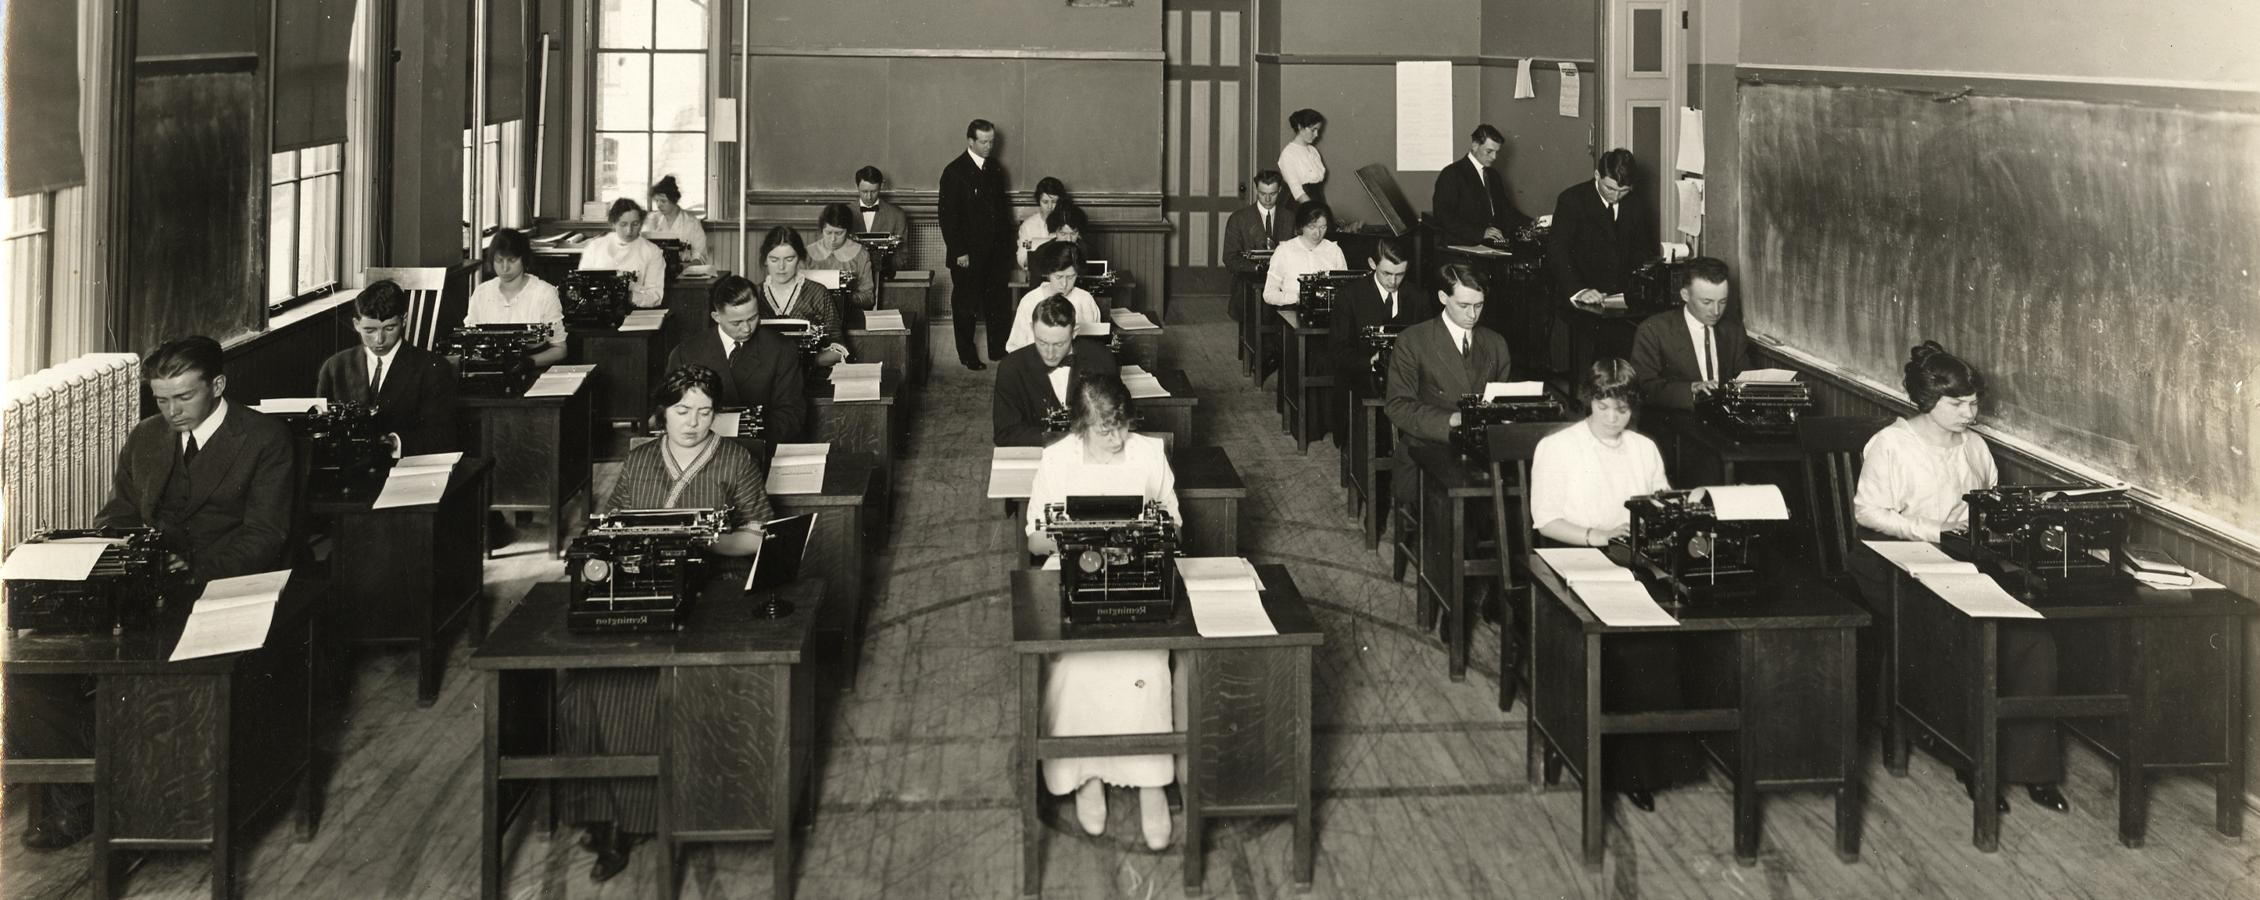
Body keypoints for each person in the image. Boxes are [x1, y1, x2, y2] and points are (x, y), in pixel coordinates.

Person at [7, 336, 303, 853]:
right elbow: (120, 512)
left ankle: (162, 802)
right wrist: (101, 551)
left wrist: (194, 569)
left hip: (218, 586)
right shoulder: (146, 436)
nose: (171, 411)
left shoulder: (264, 437)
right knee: (36, 662)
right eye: (162, 399)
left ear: (218, 385)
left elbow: (265, 536)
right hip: (145, 584)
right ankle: (73, 800)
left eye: (183, 398)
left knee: (166, 685)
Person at [559, 363, 773, 882]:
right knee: (584, 686)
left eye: (704, 412)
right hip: (640, 588)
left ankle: (643, 819)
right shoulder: (638, 461)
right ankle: (608, 813)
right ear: (662, 411)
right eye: (682, 411)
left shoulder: (735, 459)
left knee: (646, 691)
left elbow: (758, 537)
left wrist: (704, 542)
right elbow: (609, 527)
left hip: (711, 595)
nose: (693, 423)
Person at [1851, 342, 2066, 814]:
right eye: (1957, 404)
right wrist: (1932, 529)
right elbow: (1867, 511)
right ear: (1927, 401)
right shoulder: (1892, 444)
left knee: (2034, 638)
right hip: (1896, 556)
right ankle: (1972, 761)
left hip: (1960, 558)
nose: (1970, 413)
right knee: (1964, 630)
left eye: (1974, 403)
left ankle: (2036, 770)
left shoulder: (1975, 446)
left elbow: (1987, 502)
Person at [1528, 358, 1702, 811]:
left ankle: (1649, 765)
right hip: (1574, 553)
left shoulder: (1643, 448)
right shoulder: (1559, 447)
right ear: (1589, 401)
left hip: (1631, 554)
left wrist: (1682, 507)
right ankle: (1614, 764)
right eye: (1604, 407)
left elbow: (1658, 500)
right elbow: (1545, 520)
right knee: (1626, 638)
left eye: (1622, 410)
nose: (1612, 419)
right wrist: (1596, 536)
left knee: (1669, 623)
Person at [1023, 374, 1181, 851]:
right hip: (1075, 571)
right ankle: (1085, 774)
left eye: (1119, 427)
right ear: (1080, 427)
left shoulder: (1149, 453)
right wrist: (1077, 533)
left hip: (1135, 571)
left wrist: (1145, 532)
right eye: (1103, 431)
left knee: (1146, 663)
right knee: (1072, 664)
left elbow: (1173, 522)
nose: (1115, 439)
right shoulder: (1057, 459)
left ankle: (1152, 780)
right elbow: (1034, 538)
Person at [1383, 262, 1512, 463]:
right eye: (1463, 306)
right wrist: (1453, 420)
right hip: (1426, 452)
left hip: (1482, 452)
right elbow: (1398, 406)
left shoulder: (1496, 343)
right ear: (1443, 298)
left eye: (1479, 305)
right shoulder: (1412, 340)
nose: (1472, 315)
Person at [1547, 149, 1660, 377]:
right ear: (1597, 175)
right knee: (1601, 345)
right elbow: (1557, 252)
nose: (1615, 196)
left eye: (1623, 191)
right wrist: (1580, 290)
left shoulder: (1636, 204)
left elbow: (1641, 249)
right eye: (1610, 188)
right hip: (1582, 291)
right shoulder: (1572, 200)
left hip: (1620, 294)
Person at [315, 280, 459, 456]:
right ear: (356, 324)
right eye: (369, 330)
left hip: (407, 466)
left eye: (389, 328)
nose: (379, 340)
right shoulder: (334, 367)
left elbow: (443, 435)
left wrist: (395, 443)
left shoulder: (432, 368)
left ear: (404, 320)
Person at [665, 275, 809, 442]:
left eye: (753, 318)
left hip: (760, 445)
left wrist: (751, 433)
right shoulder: (685, 353)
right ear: (716, 317)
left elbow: (791, 414)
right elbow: (670, 410)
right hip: (701, 446)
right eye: (736, 323)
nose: (747, 328)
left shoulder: (781, 349)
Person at [939, 119, 1014, 368]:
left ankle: (997, 349)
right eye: (984, 142)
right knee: (965, 306)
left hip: (995, 254)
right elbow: (948, 218)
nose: (989, 146)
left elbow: (1002, 213)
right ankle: (967, 355)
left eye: (992, 141)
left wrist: (1006, 249)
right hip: (967, 255)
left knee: (997, 303)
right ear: (970, 141)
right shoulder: (954, 172)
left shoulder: (995, 169)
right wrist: (959, 251)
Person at [994, 294, 1117, 446]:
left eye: (1059, 344)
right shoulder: (1011, 367)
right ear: (1032, 328)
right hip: (1036, 454)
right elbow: (1005, 433)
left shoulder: (1102, 358)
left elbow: (1118, 417)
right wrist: (1062, 440)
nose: (1050, 354)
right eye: (1042, 342)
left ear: (1075, 332)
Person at [1628, 256, 1746, 409]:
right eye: (1707, 302)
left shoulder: (1733, 329)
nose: (1716, 311)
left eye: (1722, 302)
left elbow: (1743, 376)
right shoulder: (1653, 330)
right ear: (1685, 295)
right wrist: (1690, 389)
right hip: (1676, 419)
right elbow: (1644, 387)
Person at [1328, 237, 1435, 399]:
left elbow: (1429, 344)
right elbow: (1338, 351)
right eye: (1387, 273)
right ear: (1372, 264)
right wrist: (1371, 361)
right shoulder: (1349, 296)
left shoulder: (1419, 297)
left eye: (1400, 274)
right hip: (1362, 379)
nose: (1393, 282)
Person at [465, 227, 568, 366]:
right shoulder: (481, 293)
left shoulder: (544, 293)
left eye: (512, 260)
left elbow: (560, 349)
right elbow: (469, 340)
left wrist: (528, 363)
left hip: (531, 367)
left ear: (524, 259)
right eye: (499, 260)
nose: (505, 268)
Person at [753, 225, 851, 368]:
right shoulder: (755, 294)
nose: (781, 267)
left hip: (808, 373)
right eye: (774, 260)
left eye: (789, 259)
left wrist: (808, 361)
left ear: (799, 258)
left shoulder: (818, 293)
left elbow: (839, 348)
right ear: (765, 260)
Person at [1431, 124, 1529, 247]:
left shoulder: (1493, 175)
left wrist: (1534, 224)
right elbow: (1443, 216)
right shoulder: (1452, 174)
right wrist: (1480, 232)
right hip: (1464, 245)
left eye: (1496, 152)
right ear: (1475, 145)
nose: (1494, 157)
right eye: (1489, 151)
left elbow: (1506, 210)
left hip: (1489, 245)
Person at [1221, 170, 1296, 323]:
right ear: (1256, 190)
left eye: (1273, 194)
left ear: (1280, 190)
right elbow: (1229, 258)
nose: (1267, 199)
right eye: (1262, 193)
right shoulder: (1238, 218)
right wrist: (1256, 268)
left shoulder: (1290, 218)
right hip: (1249, 286)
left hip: (1283, 286)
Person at [1004, 241, 1103, 354]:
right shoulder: (1030, 301)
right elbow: (1015, 348)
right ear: (1048, 273)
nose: (1064, 284)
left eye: (1071, 277)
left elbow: (1095, 345)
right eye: (1059, 277)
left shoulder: (1085, 299)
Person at [579, 197, 669, 310]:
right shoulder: (594, 247)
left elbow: (655, 296)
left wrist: (626, 297)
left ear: (641, 223)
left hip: (635, 311)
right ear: (613, 224)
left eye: (635, 224)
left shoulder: (652, 251)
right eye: (623, 224)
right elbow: (582, 286)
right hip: (597, 310)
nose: (629, 230)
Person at [1261, 201, 1347, 309]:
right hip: (1293, 310)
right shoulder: (1284, 251)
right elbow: (1269, 294)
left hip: (1328, 311)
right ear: (1301, 226)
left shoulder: (1334, 250)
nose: (1317, 233)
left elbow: (1345, 290)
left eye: (1323, 227)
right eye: (1312, 227)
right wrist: (1296, 298)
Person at [807, 203, 880, 311]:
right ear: (821, 229)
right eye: (828, 232)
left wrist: (846, 298)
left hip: (849, 313)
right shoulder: (808, 253)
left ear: (848, 231)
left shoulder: (861, 254)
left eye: (839, 233)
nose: (833, 239)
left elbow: (869, 298)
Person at [641, 174, 708, 264]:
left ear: (674, 200)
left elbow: (700, 254)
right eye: (657, 201)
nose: (659, 205)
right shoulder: (652, 220)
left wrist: (689, 267)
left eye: (663, 201)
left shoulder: (691, 223)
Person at [1017, 176, 1071, 271]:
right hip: (1036, 273)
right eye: (1045, 202)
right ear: (1039, 201)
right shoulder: (1028, 226)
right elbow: (1022, 256)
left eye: (1054, 202)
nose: (1050, 207)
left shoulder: (1068, 223)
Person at [1277, 108, 1328, 206]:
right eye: (1313, 130)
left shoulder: (1313, 151)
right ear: (1300, 127)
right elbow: (1297, 190)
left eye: (1318, 130)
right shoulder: (1288, 153)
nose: (1316, 135)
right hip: (1298, 206)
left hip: (1317, 201)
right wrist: (1313, 212)